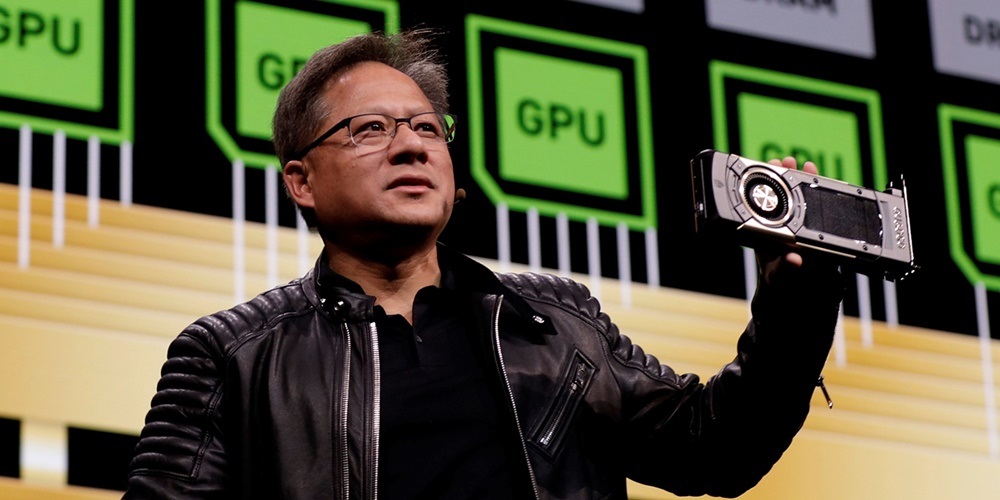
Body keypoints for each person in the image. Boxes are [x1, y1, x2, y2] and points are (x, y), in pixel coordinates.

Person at [125, 28, 845, 499]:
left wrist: (797, 298)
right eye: (370, 128)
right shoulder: (231, 356)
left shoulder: (558, 322)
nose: (412, 146)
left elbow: (717, 448)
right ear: (301, 180)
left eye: (426, 128)